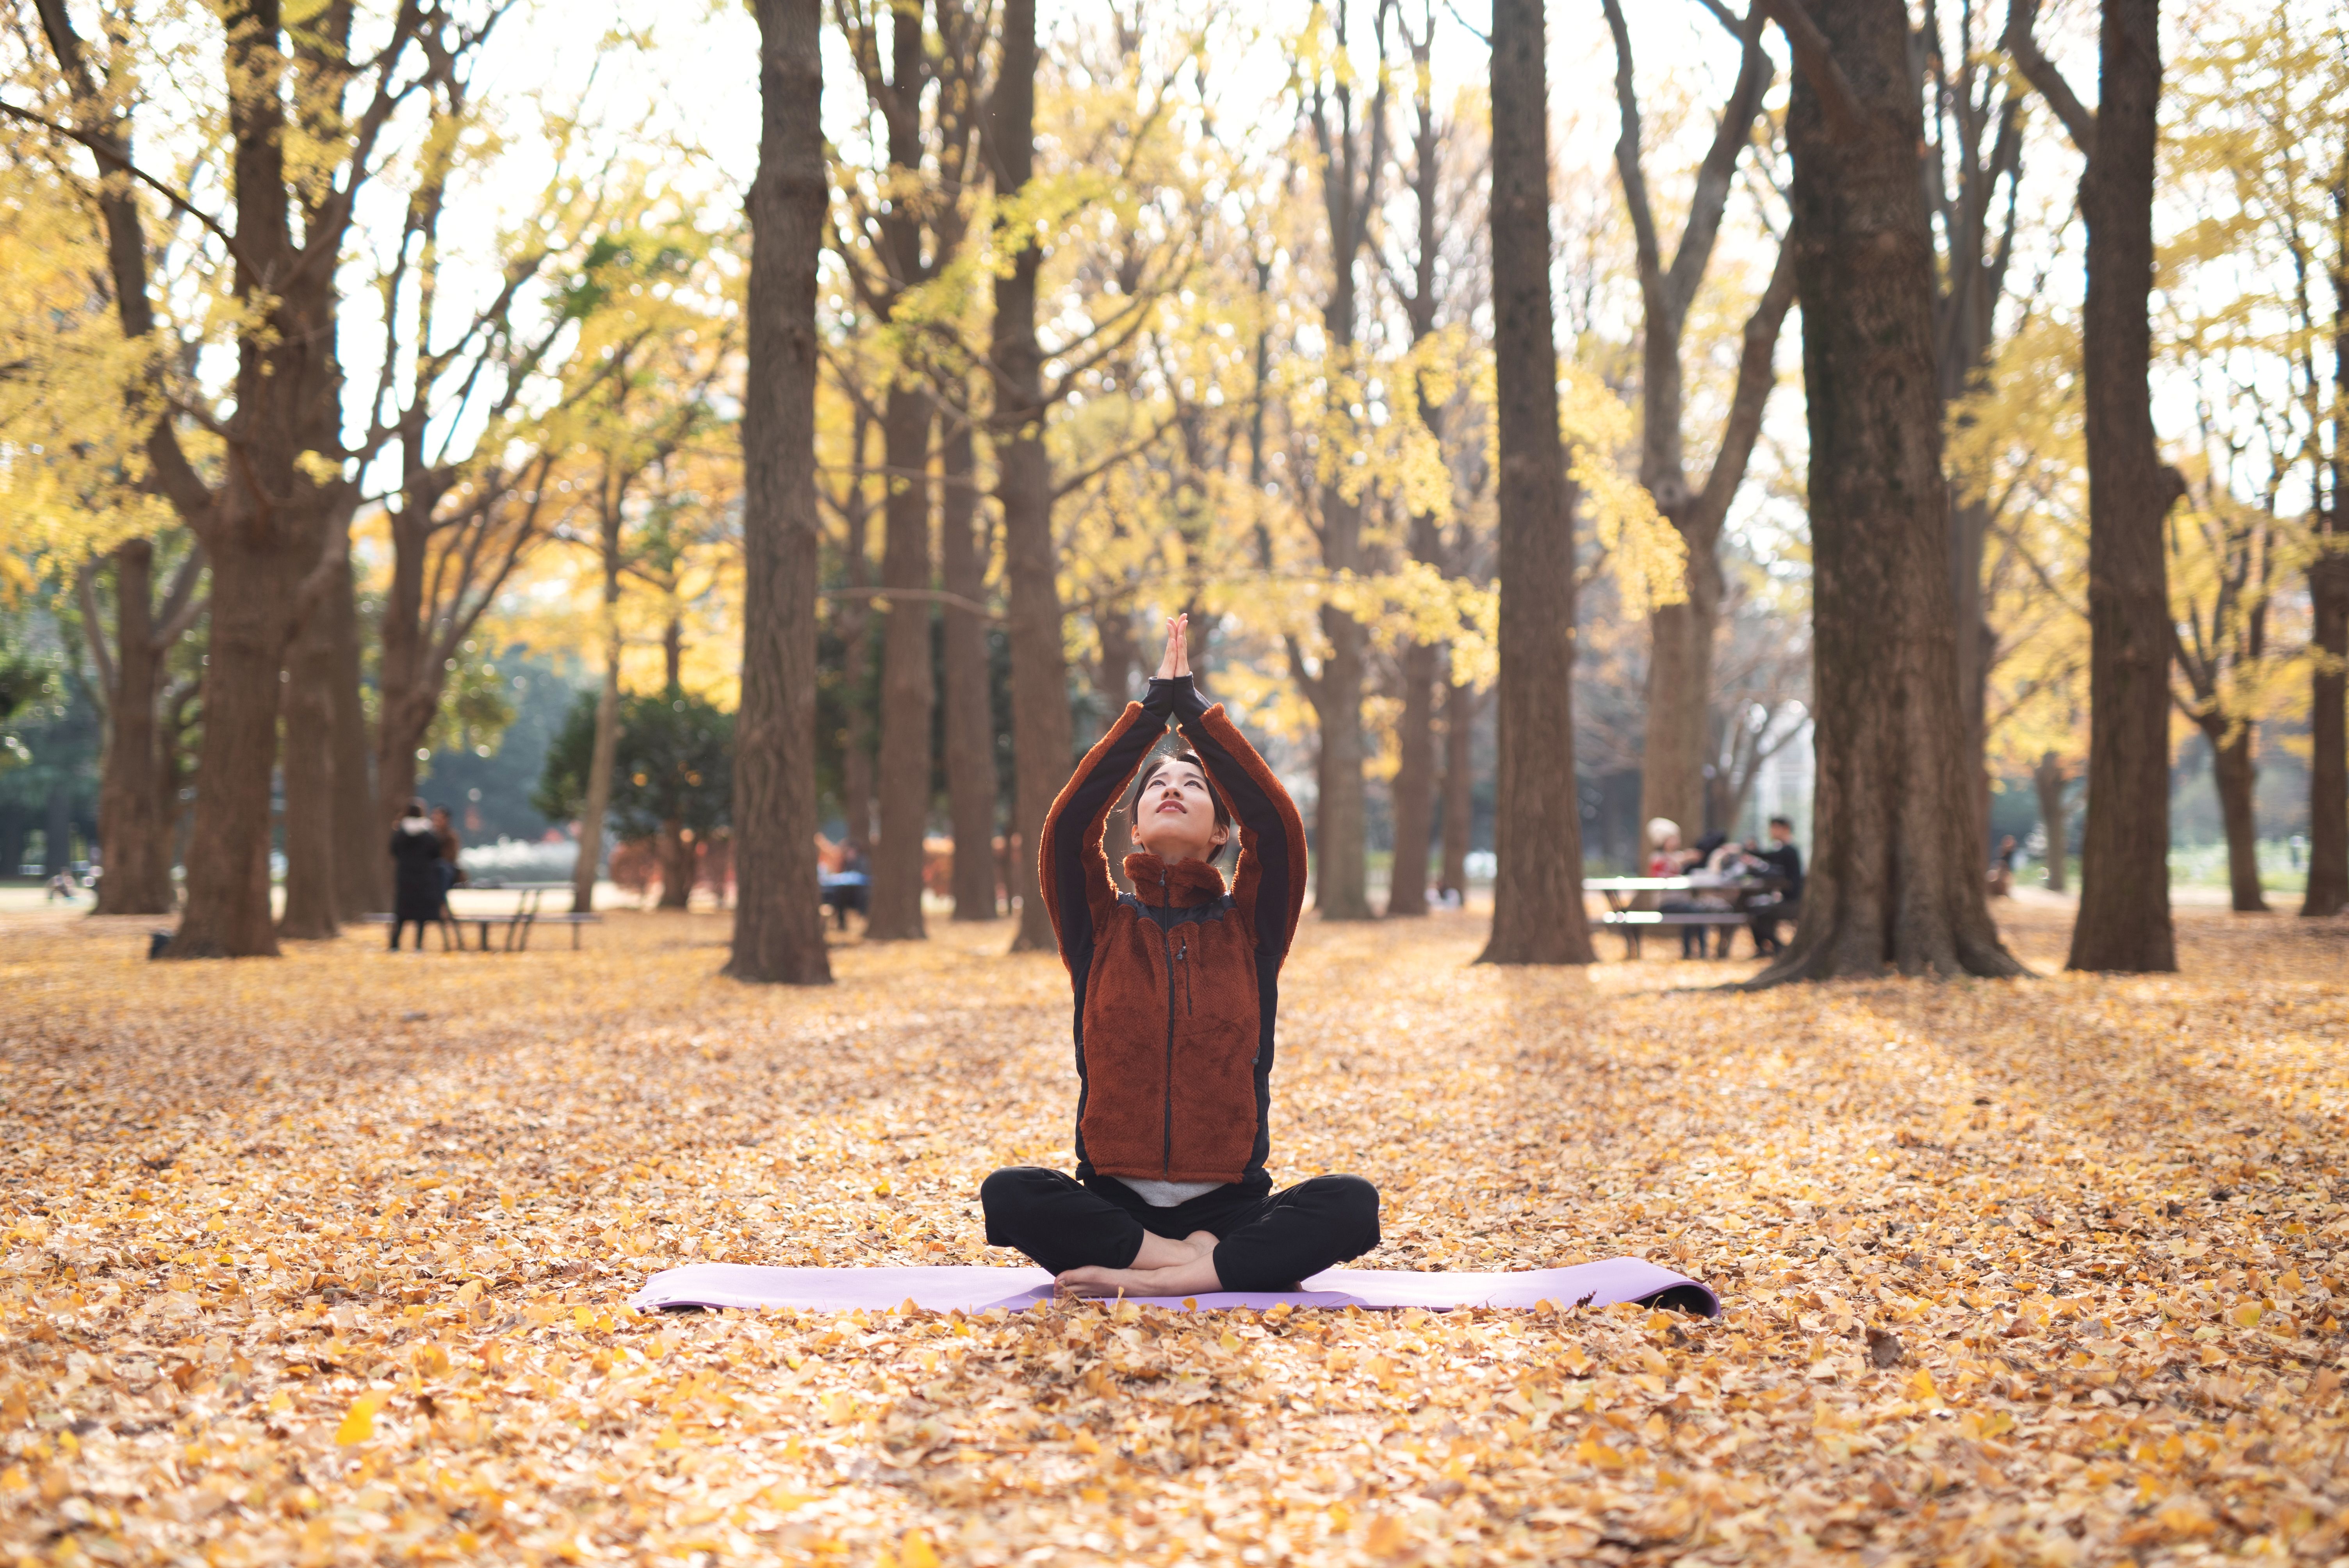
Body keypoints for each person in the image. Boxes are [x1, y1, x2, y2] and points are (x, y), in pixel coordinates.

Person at [980, 615, 1381, 1300]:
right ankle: (1188, 1262)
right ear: (1133, 824)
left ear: (1222, 832)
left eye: (1193, 786)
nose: (1172, 787)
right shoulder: (1100, 927)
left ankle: (1163, 1276)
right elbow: (1070, 826)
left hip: (1229, 1207)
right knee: (1011, 1195)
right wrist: (1148, 715)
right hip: (1115, 1207)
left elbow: (1278, 829)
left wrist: (1193, 716)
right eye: (1155, 786)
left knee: (1352, 1202)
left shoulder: (1250, 930)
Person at [388, 800, 445, 950]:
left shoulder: (400, 834)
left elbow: (394, 851)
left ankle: (395, 943)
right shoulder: (428, 835)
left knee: (401, 913)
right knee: (421, 914)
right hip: (424, 878)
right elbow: (436, 853)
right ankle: (419, 945)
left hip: (405, 876)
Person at [1746, 816, 1803, 956]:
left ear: (1785, 829)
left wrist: (1750, 852)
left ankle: (1776, 946)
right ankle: (1771, 947)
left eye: (1775, 828)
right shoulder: (1784, 849)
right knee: (1756, 909)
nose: (1772, 832)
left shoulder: (1789, 850)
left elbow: (1770, 856)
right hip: (1784, 899)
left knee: (1756, 911)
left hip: (1792, 902)